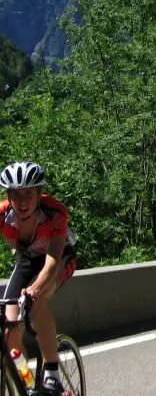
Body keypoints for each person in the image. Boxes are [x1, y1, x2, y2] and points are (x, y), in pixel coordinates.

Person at [1, 161, 77, 396]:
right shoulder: (3, 215)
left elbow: (53, 260)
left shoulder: (55, 212)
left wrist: (33, 290)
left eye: (28, 194)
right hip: (26, 260)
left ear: (38, 193)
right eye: (15, 194)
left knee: (37, 301)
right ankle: (26, 381)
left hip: (59, 258)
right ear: (8, 196)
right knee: (9, 330)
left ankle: (52, 374)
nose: (22, 202)